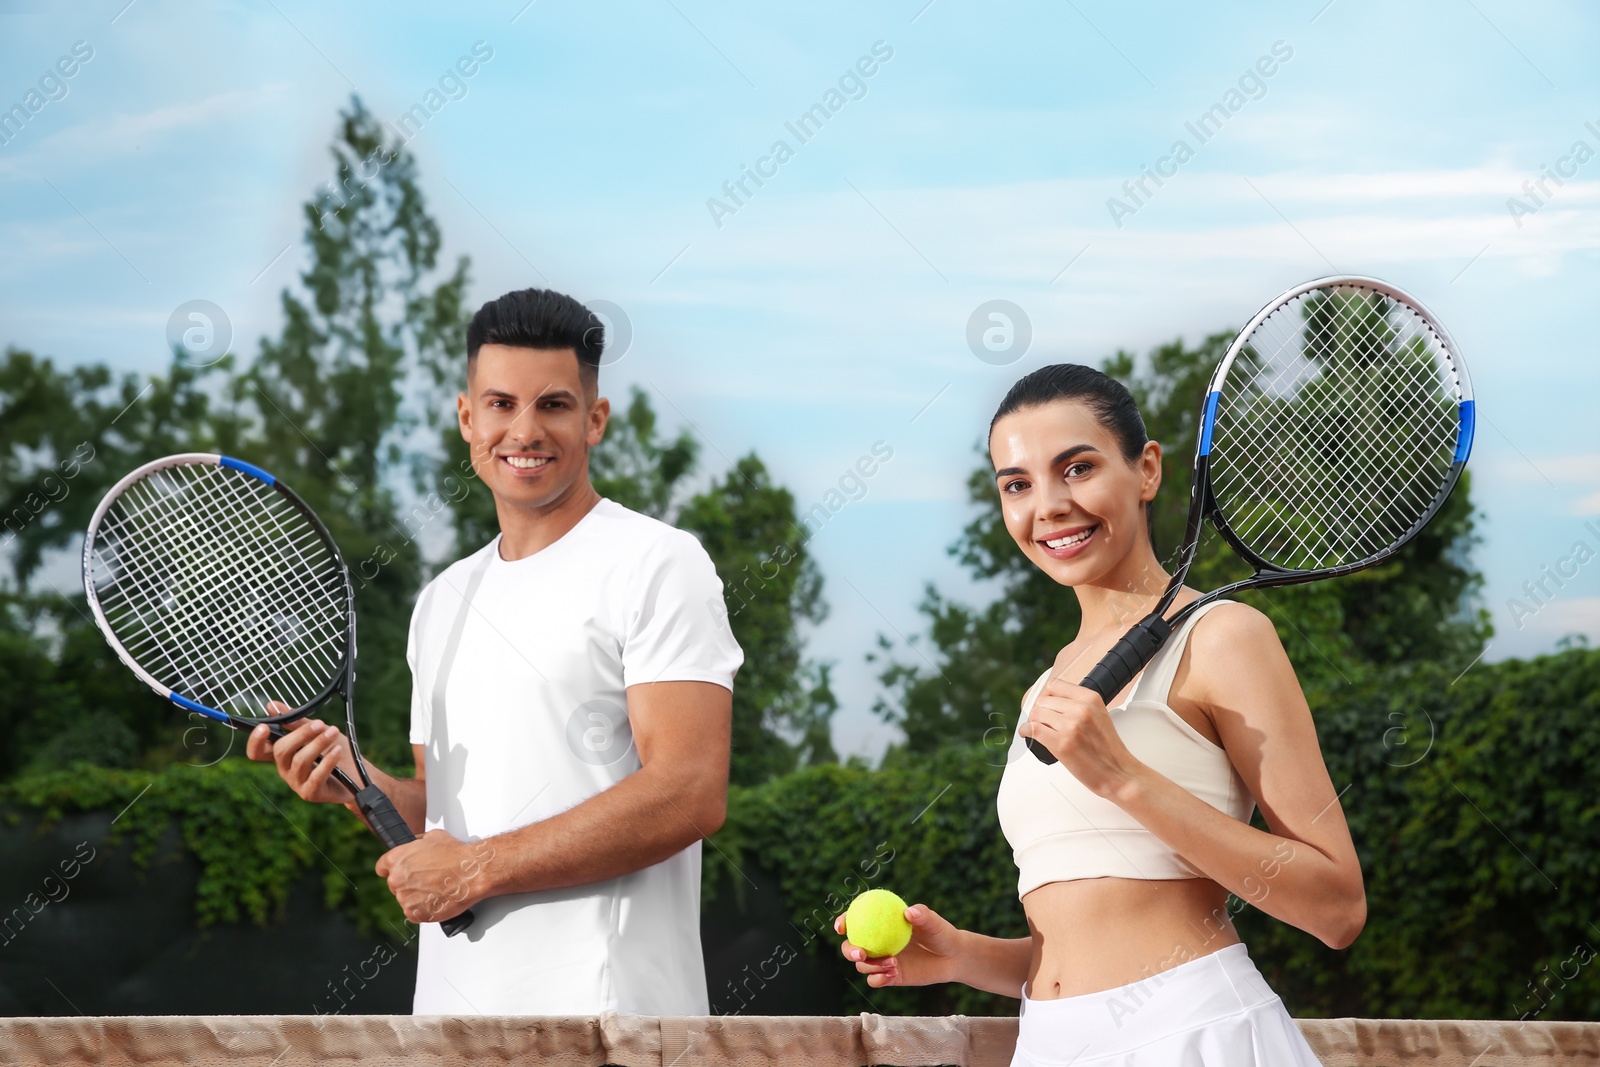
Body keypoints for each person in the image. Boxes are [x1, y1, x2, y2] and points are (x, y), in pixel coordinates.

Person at [835, 364, 1362, 1064]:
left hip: (1195, 1036)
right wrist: (964, 955)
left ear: (1146, 470)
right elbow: (1087, 940)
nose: (1047, 505)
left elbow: (1336, 906)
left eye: (1076, 467)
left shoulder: (1223, 636)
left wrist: (1124, 778)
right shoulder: (1045, 686)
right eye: (1017, 484)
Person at [247, 287, 743, 1015]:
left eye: (554, 404)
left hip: (613, 1024)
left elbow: (691, 790)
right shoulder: (442, 600)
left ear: (595, 419)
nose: (525, 429)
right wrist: (359, 782)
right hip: (454, 1025)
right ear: (467, 417)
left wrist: (477, 869)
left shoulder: (658, 562)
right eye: (502, 403)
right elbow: (442, 817)